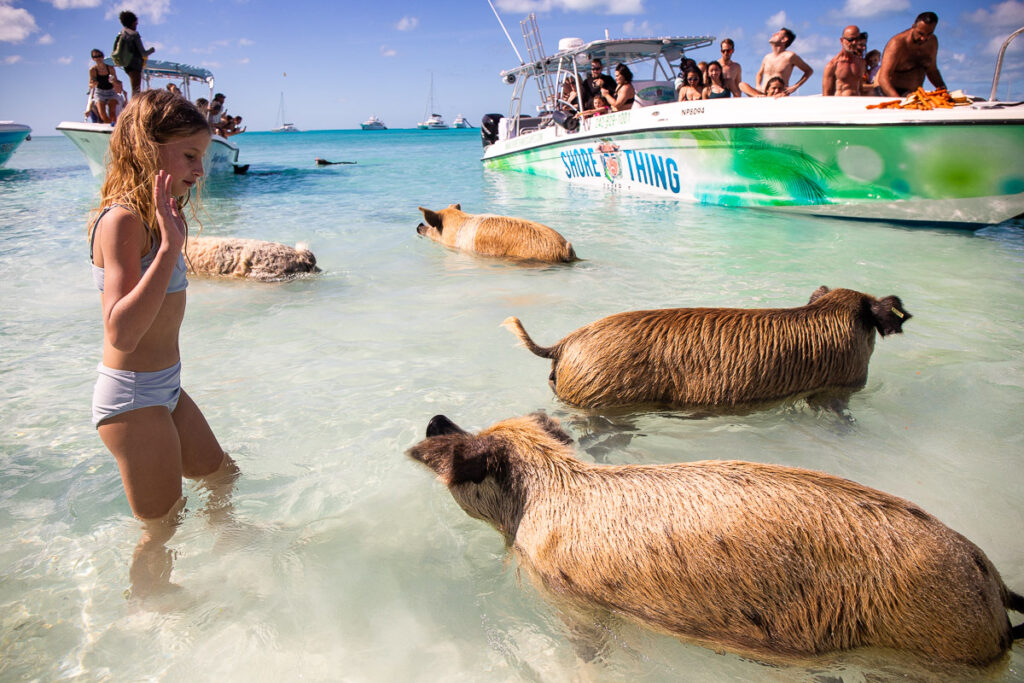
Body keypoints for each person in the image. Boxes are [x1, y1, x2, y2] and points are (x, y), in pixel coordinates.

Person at [88, 89, 237, 596]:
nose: (201, 170)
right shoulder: (123, 220)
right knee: (162, 528)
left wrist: (171, 238)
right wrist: (170, 248)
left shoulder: (161, 215)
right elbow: (121, 331)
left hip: (166, 389)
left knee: (222, 478)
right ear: (149, 149)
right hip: (132, 398)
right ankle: (148, 613)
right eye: (190, 156)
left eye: (205, 157)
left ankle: (232, 552)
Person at [877, 12, 946, 97]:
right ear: (913, 26)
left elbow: (932, 71)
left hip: (913, 93)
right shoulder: (897, 43)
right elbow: (883, 78)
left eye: (929, 34)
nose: (924, 38)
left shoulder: (932, 42)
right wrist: (899, 102)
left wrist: (944, 91)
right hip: (890, 90)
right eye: (920, 33)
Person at [755, 28, 813, 95]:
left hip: (779, 94)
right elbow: (759, 74)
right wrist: (758, 85)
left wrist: (796, 86)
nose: (773, 34)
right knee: (742, 85)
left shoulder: (790, 56)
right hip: (765, 93)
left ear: (784, 39)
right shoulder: (767, 57)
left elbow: (809, 70)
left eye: (777, 34)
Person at [116, 11, 155, 99]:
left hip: (126, 65)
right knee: (136, 90)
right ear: (132, 23)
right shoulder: (134, 35)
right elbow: (143, 53)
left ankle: (134, 107)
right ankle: (135, 109)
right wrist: (152, 50)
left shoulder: (121, 34)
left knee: (134, 88)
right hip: (135, 65)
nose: (136, 25)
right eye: (136, 23)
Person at [822, 25, 867, 96]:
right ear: (842, 41)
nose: (854, 42)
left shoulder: (861, 62)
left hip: (857, 103)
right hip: (841, 104)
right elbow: (826, 94)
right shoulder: (832, 65)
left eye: (857, 39)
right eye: (851, 39)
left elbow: (860, 88)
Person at [89, 49, 122, 123]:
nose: (98, 58)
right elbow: (90, 84)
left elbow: (116, 81)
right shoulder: (93, 70)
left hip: (111, 91)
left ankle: (114, 128)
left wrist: (113, 81)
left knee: (112, 112)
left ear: (103, 57)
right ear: (93, 59)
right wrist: (93, 84)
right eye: (95, 57)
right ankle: (110, 127)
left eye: (100, 56)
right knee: (102, 115)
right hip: (100, 93)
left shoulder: (110, 68)